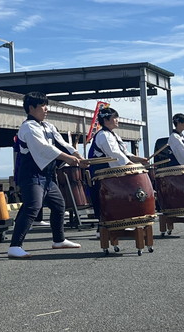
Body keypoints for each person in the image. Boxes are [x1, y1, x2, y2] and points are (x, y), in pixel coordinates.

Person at [8, 92, 85, 258]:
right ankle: (15, 246)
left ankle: (59, 240)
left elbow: (62, 143)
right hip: (31, 175)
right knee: (32, 207)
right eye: (43, 106)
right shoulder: (28, 127)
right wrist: (69, 159)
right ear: (31, 108)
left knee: (59, 205)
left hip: (46, 176)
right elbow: (45, 149)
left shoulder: (48, 126)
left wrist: (78, 156)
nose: (46, 109)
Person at [88, 107, 149, 238]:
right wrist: (132, 166)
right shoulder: (103, 135)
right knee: (105, 199)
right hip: (101, 173)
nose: (117, 120)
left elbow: (125, 153)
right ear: (105, 120)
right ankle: (103, 228)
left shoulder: (113, 135)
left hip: (109, 172)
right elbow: (115, 154)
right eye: (114, 118)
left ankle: (118, 223)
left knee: (115, 198)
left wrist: (139, 160)